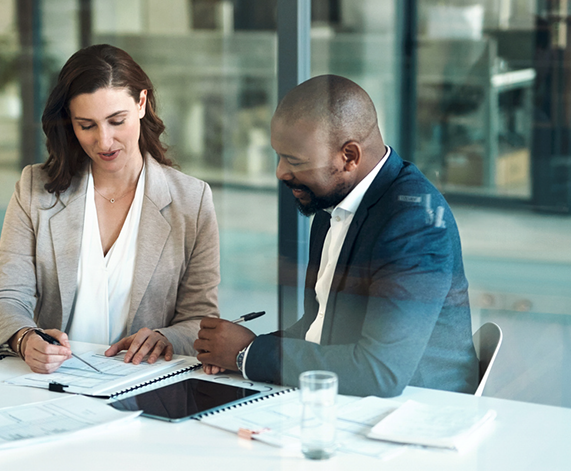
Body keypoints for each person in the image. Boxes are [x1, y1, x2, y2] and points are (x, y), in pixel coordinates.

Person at [195, 75, 477, 397]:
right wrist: (242, 349)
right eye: (279, 155)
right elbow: (320, 325)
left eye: (295, 161)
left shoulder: (414, 224)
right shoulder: (334, 203)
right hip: (352, 402)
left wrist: (249, 354)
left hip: (416, 413)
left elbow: (379, 372)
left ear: (349, 157)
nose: (280, 172)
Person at [0, 44, 220, 374]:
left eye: (116, 121)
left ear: (141, 103)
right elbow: (6, 298)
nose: (104, 141)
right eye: (87, 125)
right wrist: (25, 338)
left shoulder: (192, 200)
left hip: (144, 385)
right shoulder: (34, 189)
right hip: (54, 382)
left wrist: (166, 338)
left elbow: (200, 319)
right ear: (70, 122)